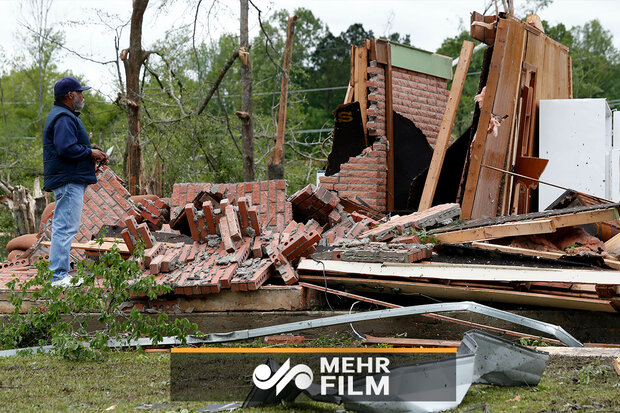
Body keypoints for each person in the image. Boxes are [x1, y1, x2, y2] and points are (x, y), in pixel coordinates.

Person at [42, 76, 107, 286]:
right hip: (68, 180)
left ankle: (59, 274)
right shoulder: (63, 117)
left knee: (65, 226)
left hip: (67, 178)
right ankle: (58, 276)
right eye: (80, 92)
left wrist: (90, 153)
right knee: (65, 227)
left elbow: (67, 146)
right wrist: (90, 152)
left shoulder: (63, 115)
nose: (83, 96)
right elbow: (66, 148)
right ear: (70, 95)